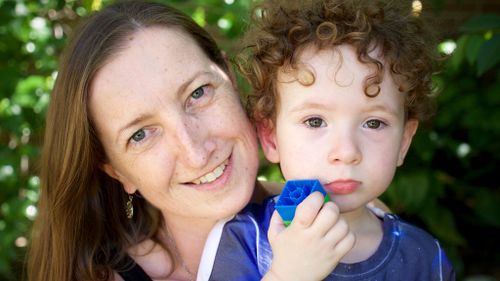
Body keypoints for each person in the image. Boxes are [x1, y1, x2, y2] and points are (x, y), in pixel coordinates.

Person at [26, 1, 355, 280]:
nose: (195, 152)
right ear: (116, 170)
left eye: (198, 93)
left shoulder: (350, 214)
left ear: (230, 80)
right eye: (140, 134)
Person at [214, 0, 456, 279]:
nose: (346, 152)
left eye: (374, 123)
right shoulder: (243, 241)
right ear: (271, 138)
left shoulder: (424, 258)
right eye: (315, 121)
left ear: (404, 142)